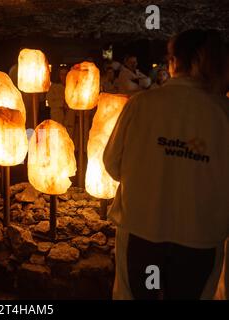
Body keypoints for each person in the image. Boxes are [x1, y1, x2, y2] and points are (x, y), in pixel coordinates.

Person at [103, 29, 229, 300]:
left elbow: (112, 164)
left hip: (141, 230)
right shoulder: (223, 114)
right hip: (200, 239)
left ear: (174, 61)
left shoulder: (142, 104)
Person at [47, 65, 75, 138]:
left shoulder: (73, 87)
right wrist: (62, 103)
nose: (64, 76)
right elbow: (50, 102)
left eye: (66, 74)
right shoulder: (53, 87)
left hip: (69, 119)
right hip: (57, 117)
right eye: (62, 74)